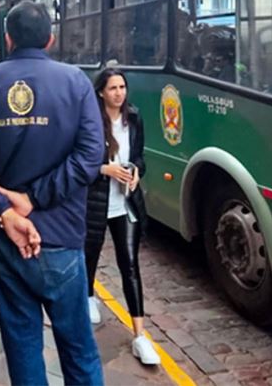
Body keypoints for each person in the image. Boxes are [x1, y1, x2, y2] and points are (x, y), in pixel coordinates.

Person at [0, 1, 105, 385]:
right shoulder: (76, 82)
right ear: (51, 38)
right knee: (79, 350)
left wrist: (6, 210)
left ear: (7, 39)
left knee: (21, 345)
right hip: (61, 233)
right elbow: (89, 159)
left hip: (4, 235)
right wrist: (34, 198)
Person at [84, 67, 160, 366]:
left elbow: (140, 156)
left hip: (125, 203)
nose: (119, 93)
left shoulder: (135, 118)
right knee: (89, 255)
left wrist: (136, 171)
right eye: (113, 88)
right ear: (101, 91)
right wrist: (105, 169)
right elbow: (79, 161)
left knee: (129, 264)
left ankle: (140, 335)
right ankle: (88, 294)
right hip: (96, 202)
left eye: (123, 87)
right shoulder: (90, 120)